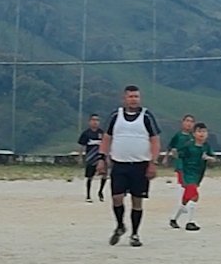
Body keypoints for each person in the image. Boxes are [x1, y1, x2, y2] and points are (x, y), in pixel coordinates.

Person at [97, 85, 161, 247]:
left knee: (137, 200)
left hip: (140, 165)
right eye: (131, 96)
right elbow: (106, 138)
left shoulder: (147, 116)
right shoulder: (115, 116)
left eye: (136, 96)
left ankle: (135, 234)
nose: (134, 99)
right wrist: (101, 158)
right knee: (117, 198)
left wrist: (153, 162)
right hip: (119, 164)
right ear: (124, 98)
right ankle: (120, 225)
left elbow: (155, 140)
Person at [169, 122, 215, 231]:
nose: (202, 134)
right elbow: (178, 154)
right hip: (187, 174)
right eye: (199, 131)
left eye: (204, 131)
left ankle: (174, 219)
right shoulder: (189, 145)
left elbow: (213, 158)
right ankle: (190, 222)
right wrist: (174, 152)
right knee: (194, 196)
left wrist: (208, 158)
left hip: (198, 175)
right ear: (194, 134)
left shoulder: (206, 146)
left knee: (186, 199)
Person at [76, 113, 107, 202]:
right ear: (89, 121)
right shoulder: (86, 133)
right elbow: (81, 145)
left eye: (97, 120)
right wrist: (80, 157)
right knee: (90, 177)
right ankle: (88, 195)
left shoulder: (102, 133)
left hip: (101, 157)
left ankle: (100, 191)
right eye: (93, 120)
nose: (95, 122)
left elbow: (106, 144)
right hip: (91, 157)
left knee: (104, 175)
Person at [165, 114, 196, 184]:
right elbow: (170, 146)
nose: (189, 123)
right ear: (183, 122)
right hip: (181, 164)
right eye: (187, 121)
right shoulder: (178, 135)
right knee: (184, 182)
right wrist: (166, 158)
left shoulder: (195, 136)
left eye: (192, 122)